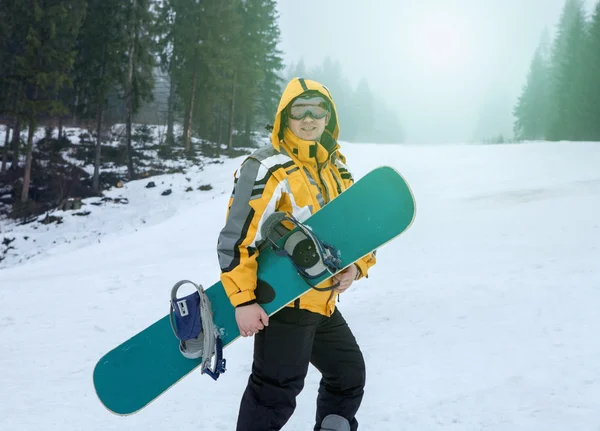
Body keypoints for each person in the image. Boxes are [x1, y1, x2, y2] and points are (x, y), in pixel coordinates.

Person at [217, 77, 376, 431]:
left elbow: (355, 232)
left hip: (322, 303)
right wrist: (243, 301)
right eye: (298, 111)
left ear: (328, 117)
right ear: (284, 117)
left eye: (317, 110)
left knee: (347, 374)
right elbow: (234, 239)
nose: (308, 119)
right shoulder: (267, 167)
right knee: (273, 396)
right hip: (286, 305)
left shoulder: (336, 168)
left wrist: (356, 267)